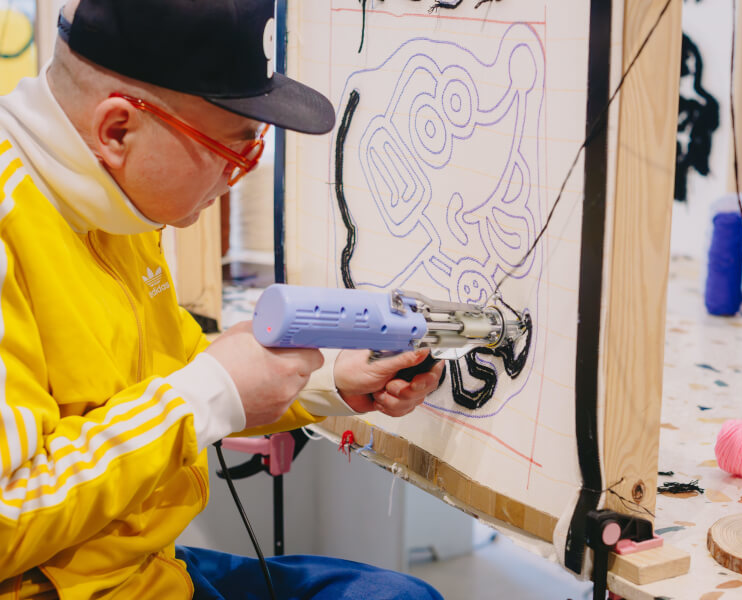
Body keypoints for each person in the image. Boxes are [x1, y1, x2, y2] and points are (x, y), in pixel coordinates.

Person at [0, 0, 446, 598]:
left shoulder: (113, 198)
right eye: (234, 151)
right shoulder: (15, 227)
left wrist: (329, 382)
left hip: (146, 567)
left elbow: (175, 370)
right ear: (118, 130)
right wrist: (208, 393)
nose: (237, 176)